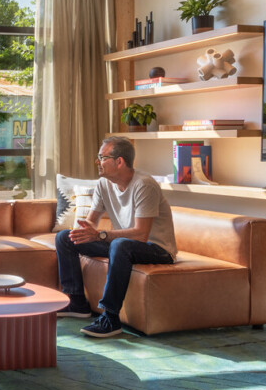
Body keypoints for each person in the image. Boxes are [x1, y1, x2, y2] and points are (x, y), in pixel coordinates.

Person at [54, 136, 178, 338]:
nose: (97, 162)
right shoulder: (104, 184)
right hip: (124, 246)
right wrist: (84, 231)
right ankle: (76, 302)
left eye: (103, 158)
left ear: (119, 161)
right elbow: (91, 221)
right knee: (65, 238)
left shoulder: (144, 185)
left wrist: (100, 235)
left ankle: (110, 318)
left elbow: (141, 234)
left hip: (157, 249)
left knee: (120, 245)